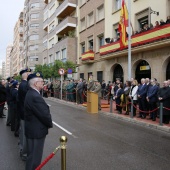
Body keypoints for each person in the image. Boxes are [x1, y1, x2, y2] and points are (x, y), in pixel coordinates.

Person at [25, 72, 53, 170]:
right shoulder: (35, 96)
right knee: (34, 159)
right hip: (36, 132)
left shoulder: (31, 93)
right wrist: (49, 124)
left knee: (32, 157)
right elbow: (44, 115)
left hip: (32, 130)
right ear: (36, 84)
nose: (43, 83)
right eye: (42, 82)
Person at [18, 68, 32, 161]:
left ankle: (22, 149)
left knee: (22, 132)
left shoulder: (22, 84)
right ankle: (24, 153)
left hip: (22, 112)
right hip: (25, 113)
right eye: (30, 74)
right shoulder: (25, 85)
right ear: (26, 75)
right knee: (25, 133)